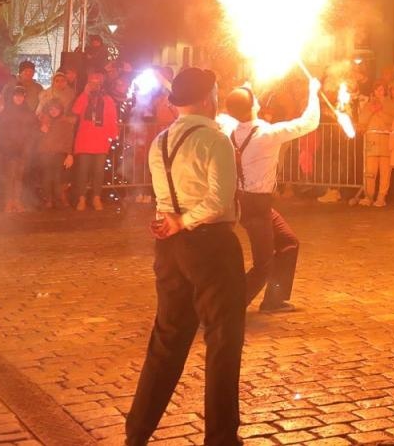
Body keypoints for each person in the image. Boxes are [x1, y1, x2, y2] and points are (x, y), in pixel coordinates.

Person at [126, 67, 243, 446]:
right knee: (223, 342)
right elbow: (218, 199)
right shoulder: (215, 139)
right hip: (209, 244)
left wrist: (170, 223)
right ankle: (222, 439)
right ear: (209, 97)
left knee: (167, 339)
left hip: (170, 249)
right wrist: (184, 222)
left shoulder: (160, 141)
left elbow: (165, 198)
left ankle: (137, 432)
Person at [219, 75, 321, 313]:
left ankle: (274, 299)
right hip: (255, 205)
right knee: (263, 264)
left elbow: (229, 112)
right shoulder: (267, 135)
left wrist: (246, 89)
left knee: (289, 243)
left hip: (248, 201)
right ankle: (229, 308)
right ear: (253, 106)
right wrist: (313, 91)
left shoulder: (228, 127)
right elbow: (308, 123)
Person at [67, 71, 120, 210]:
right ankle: (81, 199)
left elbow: (112, 119)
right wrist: (84, 94)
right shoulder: (84, 97)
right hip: (85, 140)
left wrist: (113, 137)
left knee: (98, 172)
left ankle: (96, 197)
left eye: (97, 83)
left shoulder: (108, 100)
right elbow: (76, 110)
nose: (95, 86)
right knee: (82, 171)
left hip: (101, 141)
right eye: (92, 83)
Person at [0, 84, 37, 212]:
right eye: (16, 96)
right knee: (10, 176)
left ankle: (17, 201)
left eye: (21, 96)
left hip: (23, 150)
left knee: (19, 177)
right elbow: (0, 130)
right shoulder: (5, 111)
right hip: (9, 150)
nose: (19, 98)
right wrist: (6, 146)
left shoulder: (29, 112)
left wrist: (28, 147)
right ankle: (8, 201)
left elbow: (33, 131)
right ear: (12, 97)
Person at [37, 98, 76, 208]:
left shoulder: (65, 123)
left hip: (59, 154)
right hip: (45, 153)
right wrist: (40, 131)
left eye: (56, 109)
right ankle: (48, 199)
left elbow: (69, 139)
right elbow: (35, 138)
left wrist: (69, 154)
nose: (53, 111)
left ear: (60, 110)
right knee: (47, 176)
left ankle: (59, 198)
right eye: (51, 109)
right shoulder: (43, 121)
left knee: (58, 176)